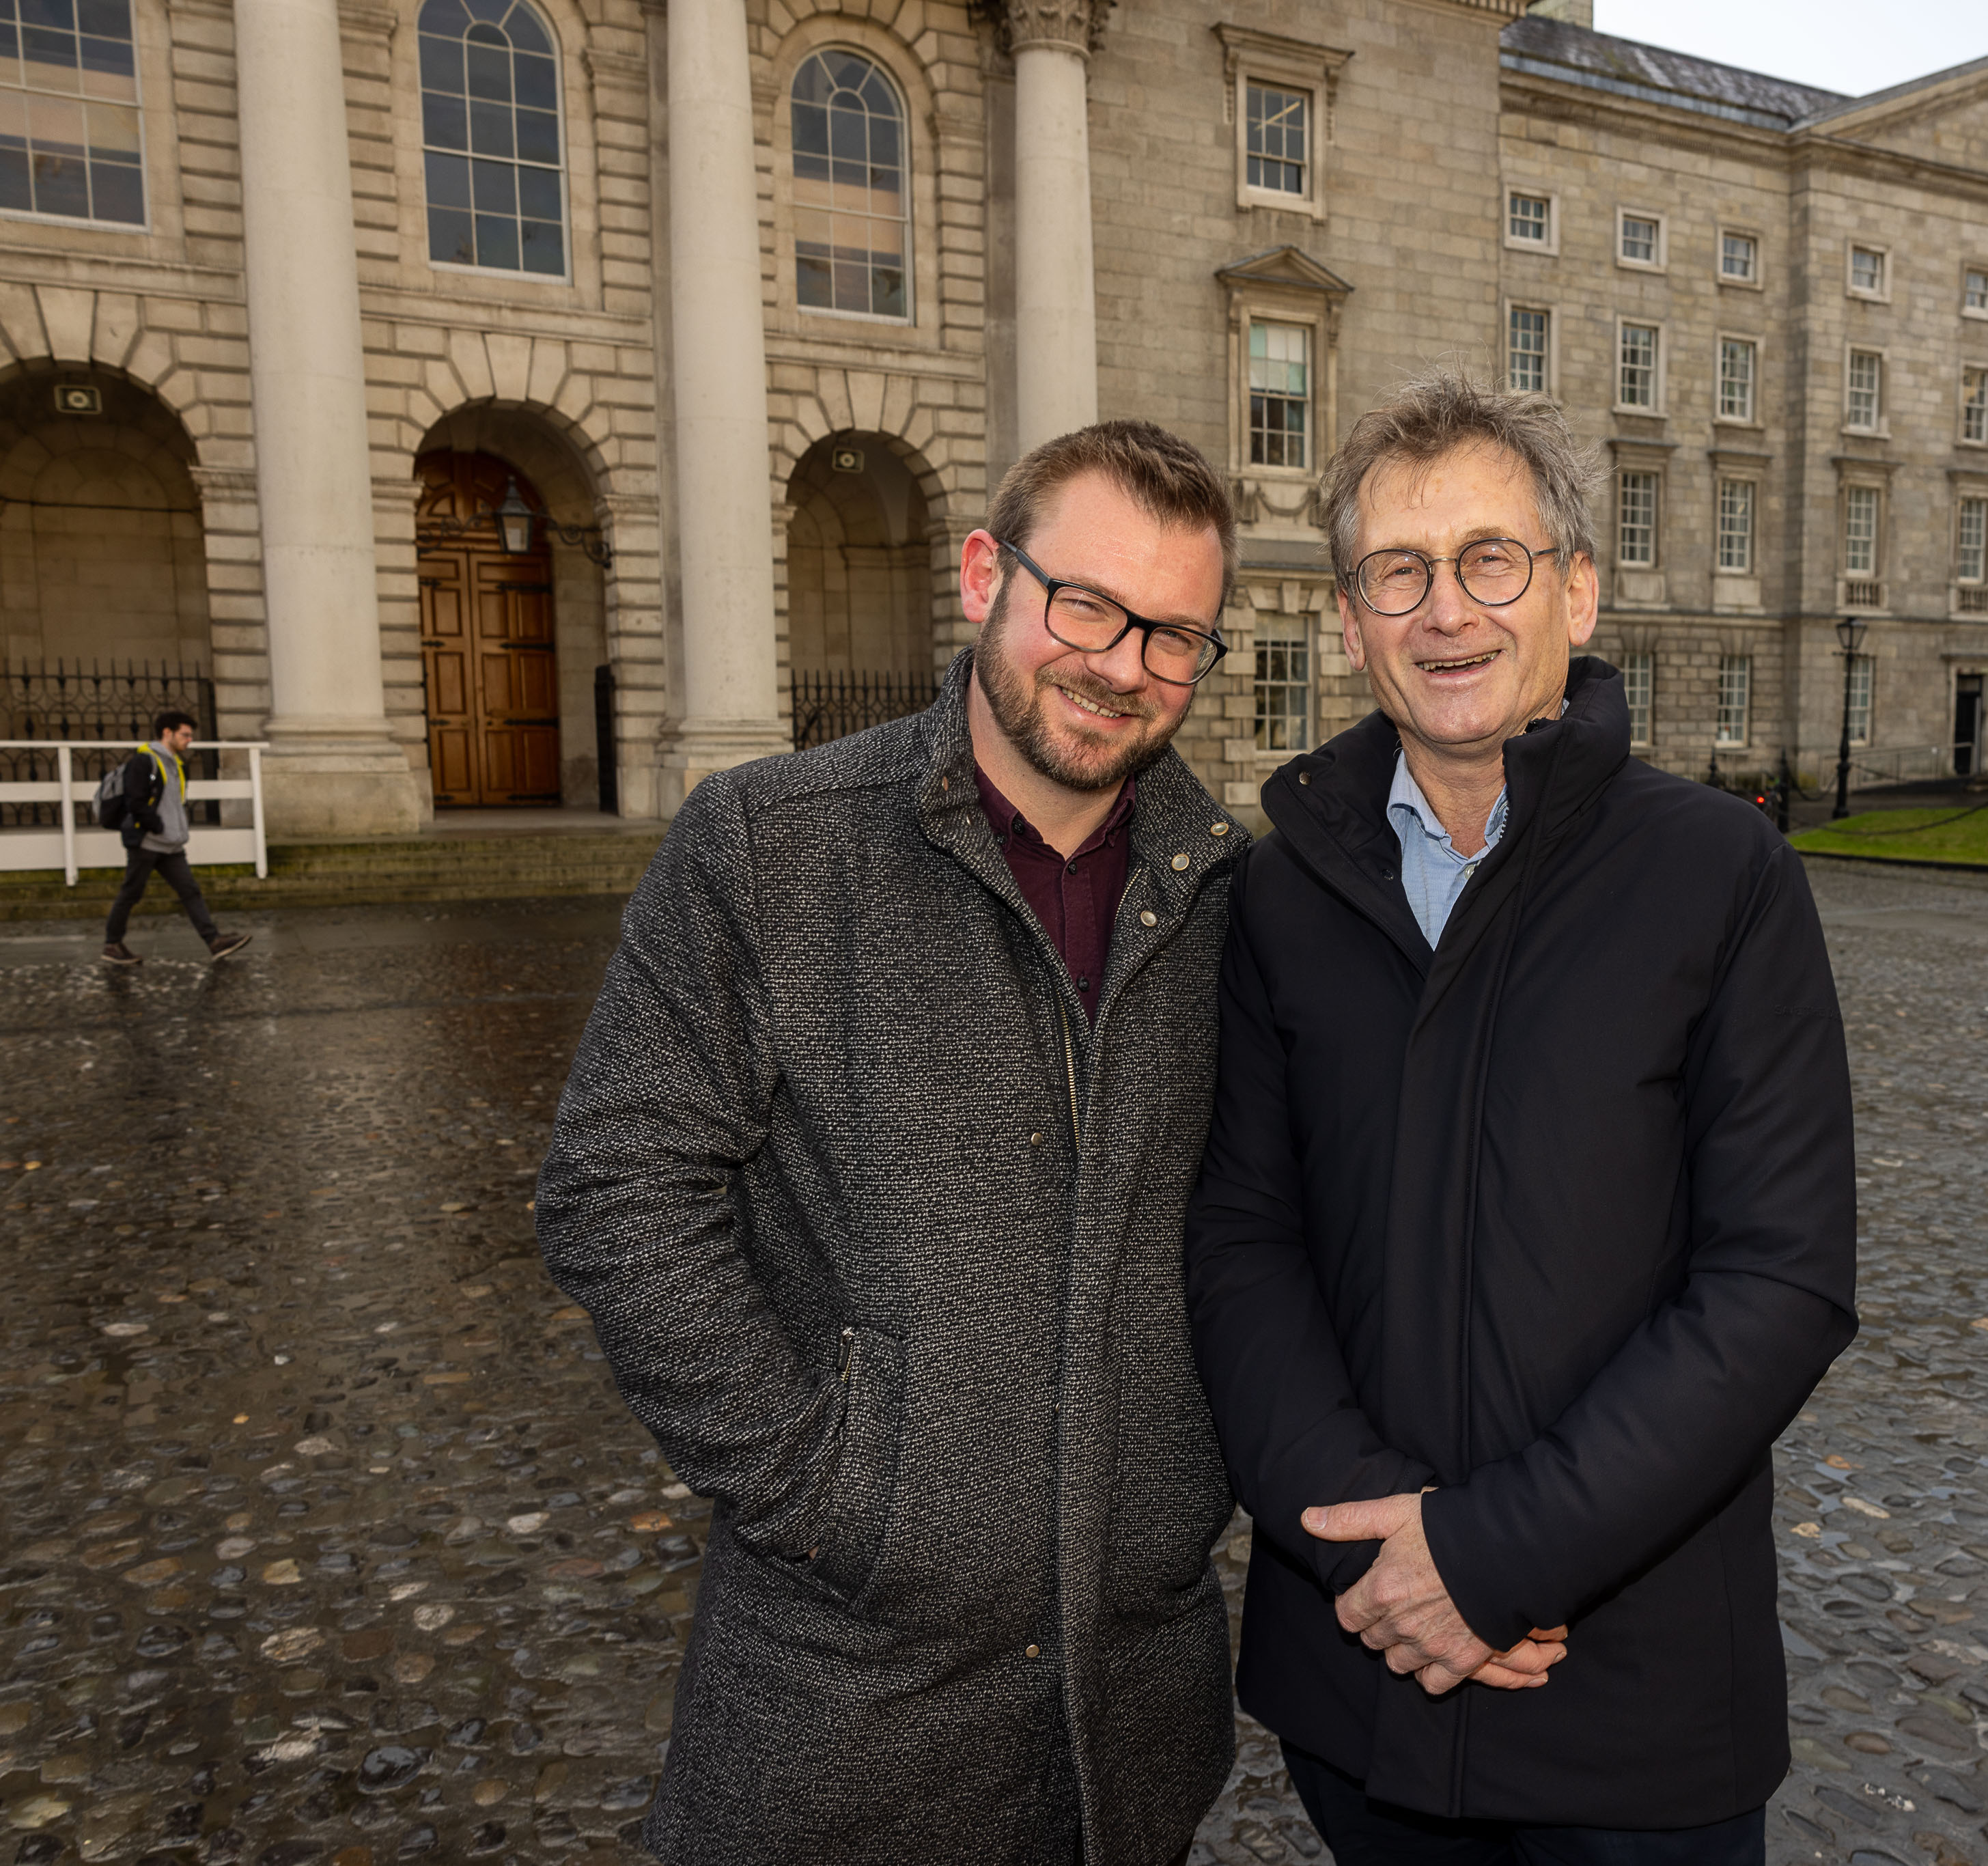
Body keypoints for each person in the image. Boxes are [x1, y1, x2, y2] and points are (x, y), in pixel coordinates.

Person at [535, 420, 1250, 1866]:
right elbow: (618, 1186)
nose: (1121, 664)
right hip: (838, 1697)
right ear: (987, 571)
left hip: (1133, 1704)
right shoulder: (766, 844)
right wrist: (825, 1486)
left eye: (1173, 635)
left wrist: (1193, 1484)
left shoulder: (1234, 893)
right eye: (1087, 604)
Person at [1186, 372, 1859, 1862]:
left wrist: (1489, 1556)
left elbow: (1778, 1280)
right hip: (1355, 1667)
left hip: (1624, 1692)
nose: (1447, 614)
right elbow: (1242, 1238)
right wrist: (1366, 1538)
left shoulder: (1720, 877)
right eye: (1398, 572)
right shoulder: (1283, 888)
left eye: (1489, 560)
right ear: (1350, 616)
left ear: (1574, 588)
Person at [100, 711, 249, 964]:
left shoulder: (176, 763)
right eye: (185, 734)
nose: (190, 740)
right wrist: (156, 826)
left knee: (190, 891)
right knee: (131, 893)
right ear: (167, 733)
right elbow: (135, 801)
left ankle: (214, 942)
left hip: (171, 844)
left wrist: (172, 831)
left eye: (191, 735)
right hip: (148, 842)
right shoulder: (144, 762)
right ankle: (112, 945)